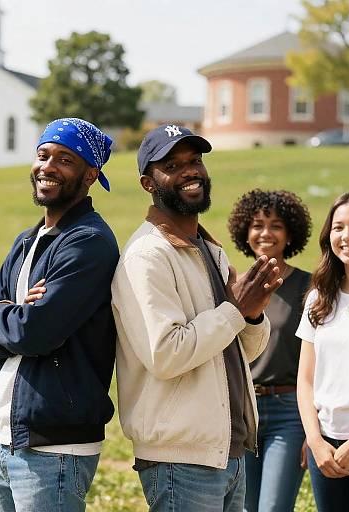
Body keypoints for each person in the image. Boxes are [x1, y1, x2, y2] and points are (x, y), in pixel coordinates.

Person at [112, 124, 282, 512]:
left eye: (195, 160)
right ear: (147, 183)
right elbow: (166, 354)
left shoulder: (209, 248)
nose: (191, 171)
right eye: (173, 164)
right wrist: (235, 310)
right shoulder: (147, 256)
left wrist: (252, 315)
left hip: (228, 450)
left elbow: (247, 351)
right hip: (180, 460)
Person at [0, 117, 119, 512]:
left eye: (65, 159)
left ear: (91, 175)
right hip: (7, 437)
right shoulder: (26, 241)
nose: (48, 166)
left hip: (56, 447)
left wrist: (7, 313)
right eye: (43, 155)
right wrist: (13, 312)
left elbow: (35, 333)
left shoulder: (88, 242)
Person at [228, 189, 312, 512]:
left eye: (276, 225)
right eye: (257, 225)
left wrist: (312, 428)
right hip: (242, 410)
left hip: (289, 414)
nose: (265, 233)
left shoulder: (310, 287)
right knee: (244, 507)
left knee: (273, 508)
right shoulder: (233, 285)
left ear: (290, 233)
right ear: (244, 232)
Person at [297, 191, 349, 512]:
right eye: (339, 227)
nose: (347, 236)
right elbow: (306, 379)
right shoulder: (318, 299)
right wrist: (314, 440)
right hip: (323, 444)